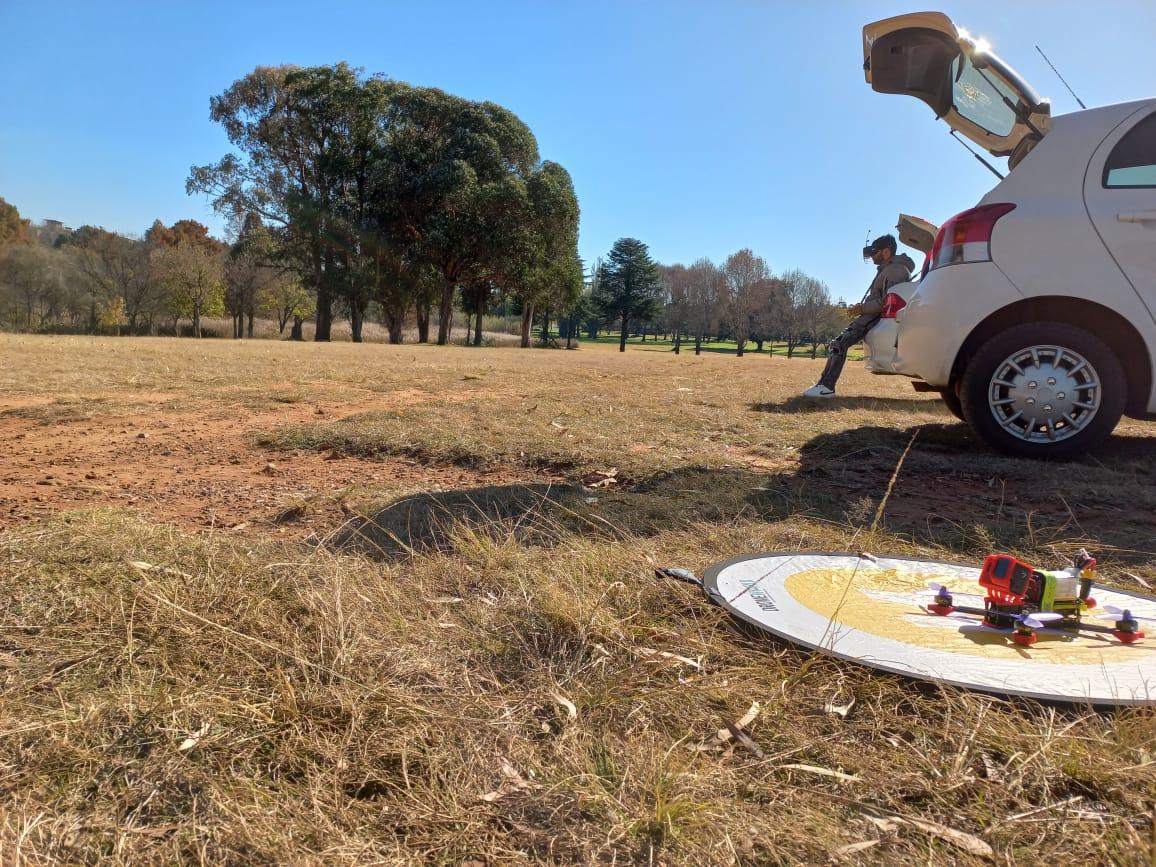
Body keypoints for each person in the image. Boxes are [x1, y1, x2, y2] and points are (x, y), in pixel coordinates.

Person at [802, 234, 915, 398]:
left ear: (886, 252)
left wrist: (862, 309)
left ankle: (826, 387)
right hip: (869, 316)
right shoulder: (888, 269)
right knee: (838, 344)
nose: (872, 257)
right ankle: (823, 385)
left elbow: (887, 301)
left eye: (875, 252)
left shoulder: (895, 270)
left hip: (872, 318)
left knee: (838, 344)